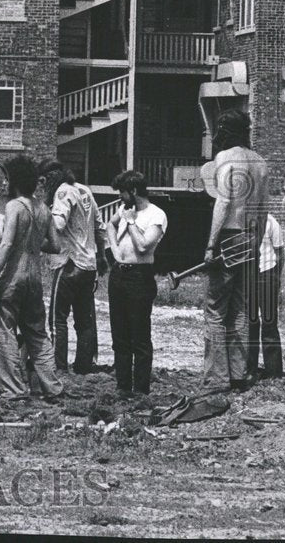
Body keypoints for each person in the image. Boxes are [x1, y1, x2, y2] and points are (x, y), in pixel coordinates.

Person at [0, 155, 64, 402]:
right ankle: (52, 387)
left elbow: (7, 244)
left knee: (4, 332)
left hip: (13, 278)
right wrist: (31, 243)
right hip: (35, 279)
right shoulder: (43, 208)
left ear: (13, 180)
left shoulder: (14, 206)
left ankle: (14, 389)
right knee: (37, 334)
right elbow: (56, 245)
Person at [203, 109, 268, 392]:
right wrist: (257, 241)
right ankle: (239, 374)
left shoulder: (225, 158)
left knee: (215, 308)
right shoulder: (260, 163)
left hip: (228, 234)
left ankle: (216, 378)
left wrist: (210, 244)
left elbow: (223, 203)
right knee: (241, 307)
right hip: (252, 236)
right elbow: (264, 209)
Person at [37, 159, 107, 374]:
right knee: (84, 320)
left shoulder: (61, 192)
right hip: (88, 265)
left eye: (43, 182)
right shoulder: (84, 190)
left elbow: (57, 224)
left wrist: (39, 218)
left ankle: (59, 367)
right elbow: (99, 226)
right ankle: (83, 366)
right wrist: (101, 257)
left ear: (49, 178)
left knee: (57, 320)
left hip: (67, 263)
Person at [105, 171, 167, 400]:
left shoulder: (156, 215)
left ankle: (140, 390)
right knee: (119, 335)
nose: (120, 198)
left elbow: (143, 246)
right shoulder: (122, 210)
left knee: (139, 335)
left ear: (133, 191)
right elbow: (109, 227)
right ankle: (122, 386)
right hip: (119, 274)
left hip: (140, 277)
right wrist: (114, 250)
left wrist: (130, 222)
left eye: (122, 193)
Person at [248, 212, 284, 379]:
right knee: (250, 322)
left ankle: (274, 372)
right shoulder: (241, 219)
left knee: (269, 322)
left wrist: (276, 279)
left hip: (267, 274)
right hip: (248, 275)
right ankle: (250, 369)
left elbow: (280, 254)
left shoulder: (271, 222)